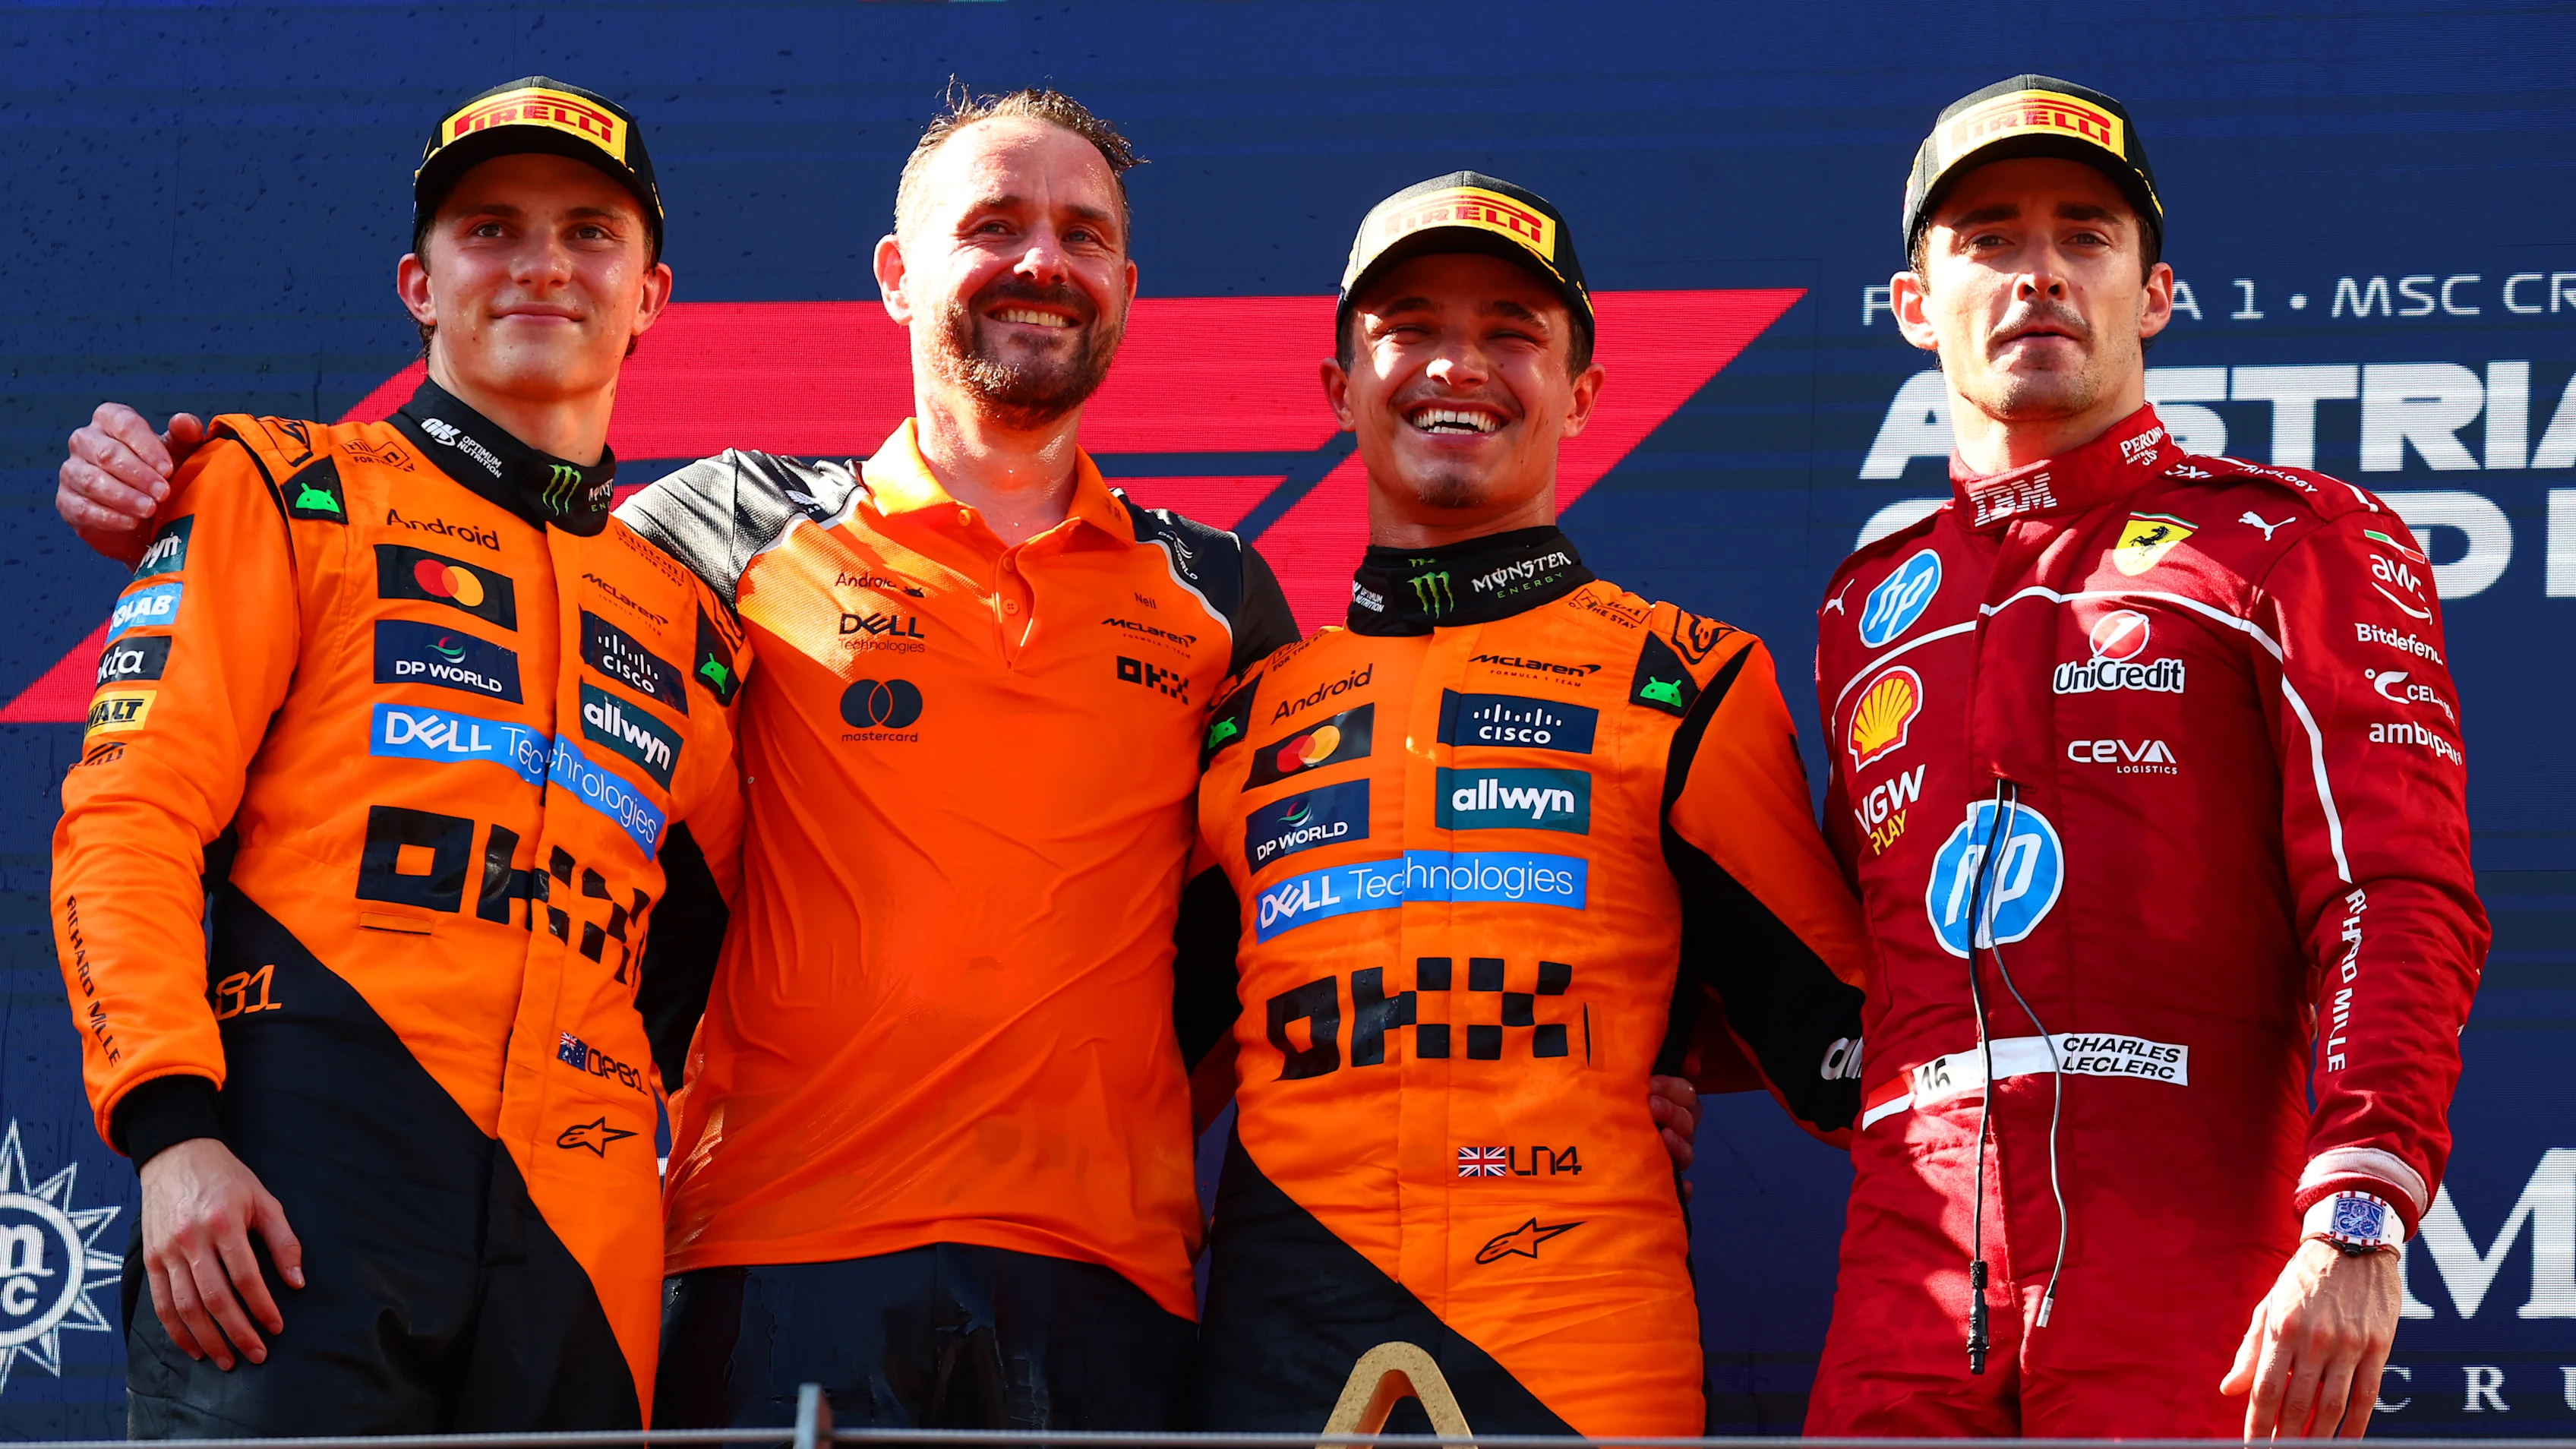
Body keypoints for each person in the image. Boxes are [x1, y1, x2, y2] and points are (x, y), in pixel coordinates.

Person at [56, 90, 1709, 1432]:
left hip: (1112, 1280)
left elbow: (1319, 905)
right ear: (897, 277)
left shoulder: (1223, 599)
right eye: (993, 226)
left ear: (1128, 288)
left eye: (1082, 233)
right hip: (770, 1261)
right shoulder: (704, 540)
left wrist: (1592, 1063)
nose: (1040, 261)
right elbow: (483, 650)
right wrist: (175, 496)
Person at [47, 77, 750, 1435]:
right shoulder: (281, 490)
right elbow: (129, 816)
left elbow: (737, 947)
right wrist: (172, 1134)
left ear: (650, 296)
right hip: (293, 1186)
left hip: (585, 1231)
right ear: (419, 286)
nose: (541, 264)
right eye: (491, 230)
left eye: (589, 233)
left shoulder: (693, 622)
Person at [1801, 76, 2486, 1439]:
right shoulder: (1863, 608)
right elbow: (1831, 948)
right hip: (1906, 1295)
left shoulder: (2290, 541)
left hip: (2189, 1279)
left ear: (2154, 294)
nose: (2041, 272)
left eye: (2087, 236)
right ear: (1914, 304)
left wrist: (2360, 1209)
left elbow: (2396, 892)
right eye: (1990, 238)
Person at [1176, 173, 1870, 1438]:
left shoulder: (1688, 680)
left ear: (1582, 394)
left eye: (1512, 332)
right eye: (1410, 328)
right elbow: (1131, 1067)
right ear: (1339, 386)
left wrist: (1644, 1054)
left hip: (1579, 1345)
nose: (1459, 364)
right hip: (1280, 1343)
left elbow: (1842, 1048)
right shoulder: (1248, 716)